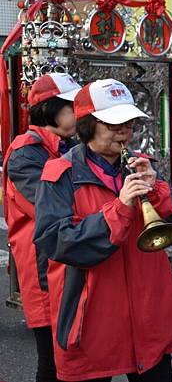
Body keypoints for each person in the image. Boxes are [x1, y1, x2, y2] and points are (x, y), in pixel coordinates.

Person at [33, 79, 172, 382]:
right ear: (88, 126)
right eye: (113, 123)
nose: (124, 131)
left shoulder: (142, 165)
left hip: (149, 313)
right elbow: (57, 242)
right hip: (93, 319)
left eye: (129, 123)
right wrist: (119, 208)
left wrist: (157, 189)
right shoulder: (60, 175)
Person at [2, 73, 81, 382]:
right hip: (43, 270)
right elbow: (51, 206)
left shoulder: (66, 146)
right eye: (72, 106)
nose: (79, 113)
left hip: (66, 262)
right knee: (51, 361)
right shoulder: (26, 151)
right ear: (50, 110)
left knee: (76, 357)